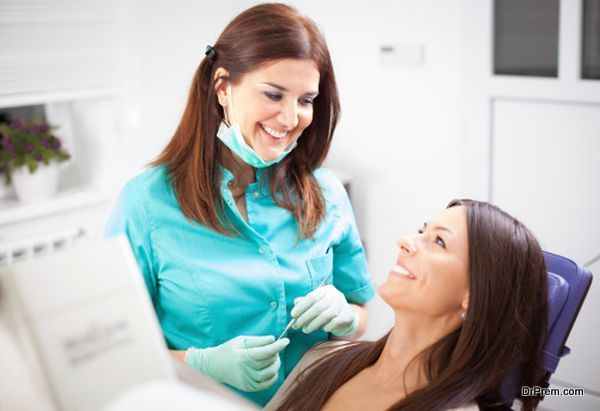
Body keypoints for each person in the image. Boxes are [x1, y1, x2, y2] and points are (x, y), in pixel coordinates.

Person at [104, 3, 375, 407]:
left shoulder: (328, 193)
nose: (291, 117)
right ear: (222, 87)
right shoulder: (146, 202)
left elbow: (360, 309)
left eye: (306, 99)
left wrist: (348, 318)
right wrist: (199, 363)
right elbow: (114, 354)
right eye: (273, 94)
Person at [266, 199, 548, 411]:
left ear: (474, 295)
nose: (406, 241)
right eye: (421, 231)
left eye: (439, 241)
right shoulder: (321, 359)